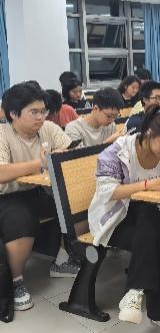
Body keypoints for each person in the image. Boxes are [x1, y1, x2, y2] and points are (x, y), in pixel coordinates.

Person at [88, 108, 160, 331]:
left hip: (146, 217)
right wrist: (146, 185)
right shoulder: (118, 152)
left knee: (150, 220)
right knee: (155, 241)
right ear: (150, 132)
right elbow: (107, 192)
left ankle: (134, 292)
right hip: (113, 219)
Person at [0, 83, 79, 312]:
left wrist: (62, 156)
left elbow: (70, 152)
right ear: (13, 114)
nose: (40, 117)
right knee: (21, 220)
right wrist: (40, 163)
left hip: (38, 190)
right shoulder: (3, 134)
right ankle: (16, 281)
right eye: (33, 112)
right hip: (8, 195)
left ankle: (62, 259)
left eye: (43, 111)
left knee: (74, 205)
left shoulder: (49, 128)